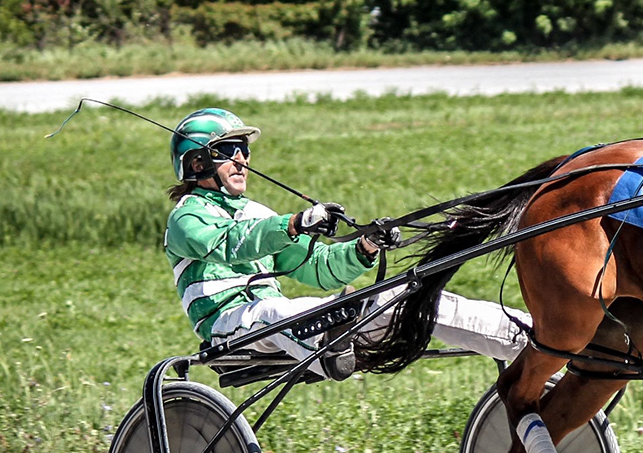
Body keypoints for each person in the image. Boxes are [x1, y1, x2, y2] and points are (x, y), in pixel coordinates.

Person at [164, 107, 530, 378]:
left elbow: (317, 268)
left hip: (283, 326)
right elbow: (231, 244)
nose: (242, 159)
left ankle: (526, 337)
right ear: (197, 163)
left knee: (403, 295)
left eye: (244, 149)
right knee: (272, 311)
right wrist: (294, 223)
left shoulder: (256, 212)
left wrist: (365, 247)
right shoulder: (185, 218)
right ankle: (328, 347)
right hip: (228, 328)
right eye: (228, 150)